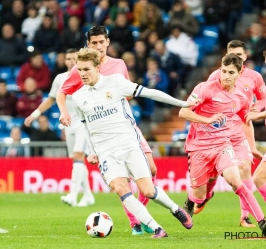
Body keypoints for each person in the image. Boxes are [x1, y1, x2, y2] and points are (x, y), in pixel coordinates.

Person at [72, 47, 197, 238]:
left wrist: (182, 103)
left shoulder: (115, 82)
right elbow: (86, 127)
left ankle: (175, 209)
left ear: (97, 67)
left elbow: (150, 93)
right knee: (121, 188)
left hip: (129, 144)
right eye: (79, 69)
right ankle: (157, 228)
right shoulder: (78, 97)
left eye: (86, 69)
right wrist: (92, 150)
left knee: (147, 191)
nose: (82, 74)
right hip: (106, 152)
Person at [56, 25, 159, 235]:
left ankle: (140, 215)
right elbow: (61, 92)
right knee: (122, 181)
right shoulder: (82, 68)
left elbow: (127, 93)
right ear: (88, 44)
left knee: (152, 170)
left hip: (127, 127)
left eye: (101, 42)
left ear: (107, 42)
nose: (98, 46)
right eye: (93, 43)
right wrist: (64, 112)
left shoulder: (119, 65)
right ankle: (136, 223)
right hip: (103, 133)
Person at [178, 53, 266, 235]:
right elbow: (183, 113)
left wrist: (251, 146)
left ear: (240, 72)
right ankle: (191, 200)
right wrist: (208, 119)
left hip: (222, 145)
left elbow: (244, 119)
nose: (225, 76)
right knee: (200, 195)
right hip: (199, 147)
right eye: (223, 71)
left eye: (231, 72)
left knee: (236, 181)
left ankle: (262, 222)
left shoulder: (241, 98)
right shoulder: (204, 88)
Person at [24, 49, 95, 207]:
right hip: (69, 125)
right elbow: (50, 100)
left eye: (73, 58)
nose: (70, 61)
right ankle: (88, 195)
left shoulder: (87, 77)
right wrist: (34, 115)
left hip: (85, 124)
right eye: (67, 58)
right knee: (77, 160)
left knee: (78, 157)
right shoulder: (60, 79)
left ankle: (73, 195)